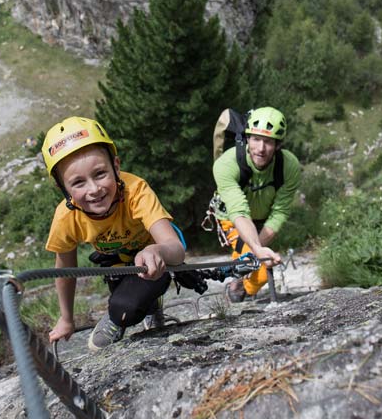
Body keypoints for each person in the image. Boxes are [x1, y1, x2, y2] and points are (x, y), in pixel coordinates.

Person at [42, 116, 186, 351]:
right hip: (115, 264)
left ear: (116, 166)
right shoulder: (66, 216)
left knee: (124, 308)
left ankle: (123, 314)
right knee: (122, 294)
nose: (94, 189)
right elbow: (65, 269)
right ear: (63, 189)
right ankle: (144, 307)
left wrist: (157, 250)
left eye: (100, 174)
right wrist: (66, 318)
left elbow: (176, 249)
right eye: (78, 183)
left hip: (155, 262)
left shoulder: (136, 191)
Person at [212, 107, 301, 303]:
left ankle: (242, 285)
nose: (261, 148)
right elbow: (239, 211)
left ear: (277, 145)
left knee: (255, 264)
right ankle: (237, 288)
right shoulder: (227, 164)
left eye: (268, 142)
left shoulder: (289, 166)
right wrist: (256, 249)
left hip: (262, 222)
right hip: (231, 219)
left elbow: (280, 212)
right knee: (259, 269)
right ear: (247, 138)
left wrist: (255, 248)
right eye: (256, 139)